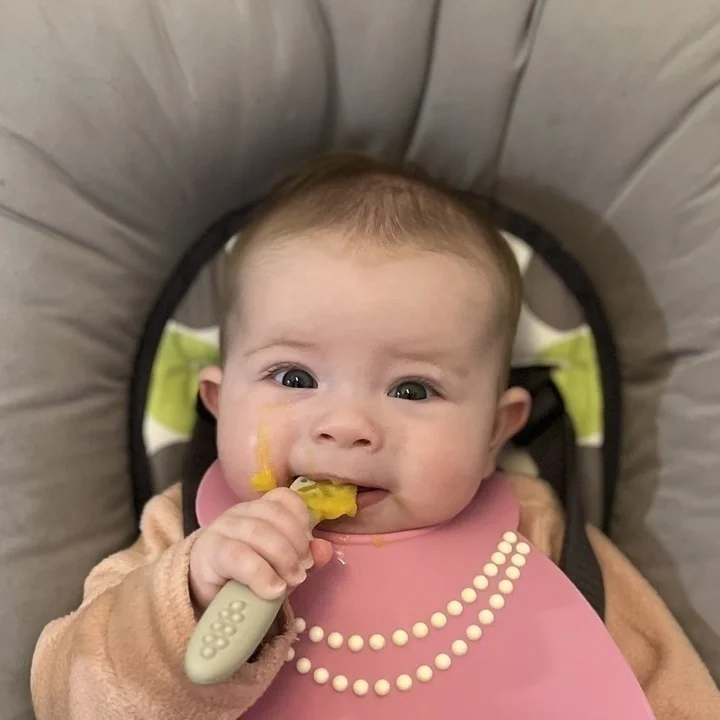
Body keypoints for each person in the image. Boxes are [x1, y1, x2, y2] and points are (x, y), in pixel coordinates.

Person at [31, 154, 720, 719]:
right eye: (295, 377)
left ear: (494, 433)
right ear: (219, 404)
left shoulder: (543, 533)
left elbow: (666, 691)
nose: (347, 426)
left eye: (412, 390)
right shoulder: (185, 537)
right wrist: (189, 603)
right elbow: (71, 699)